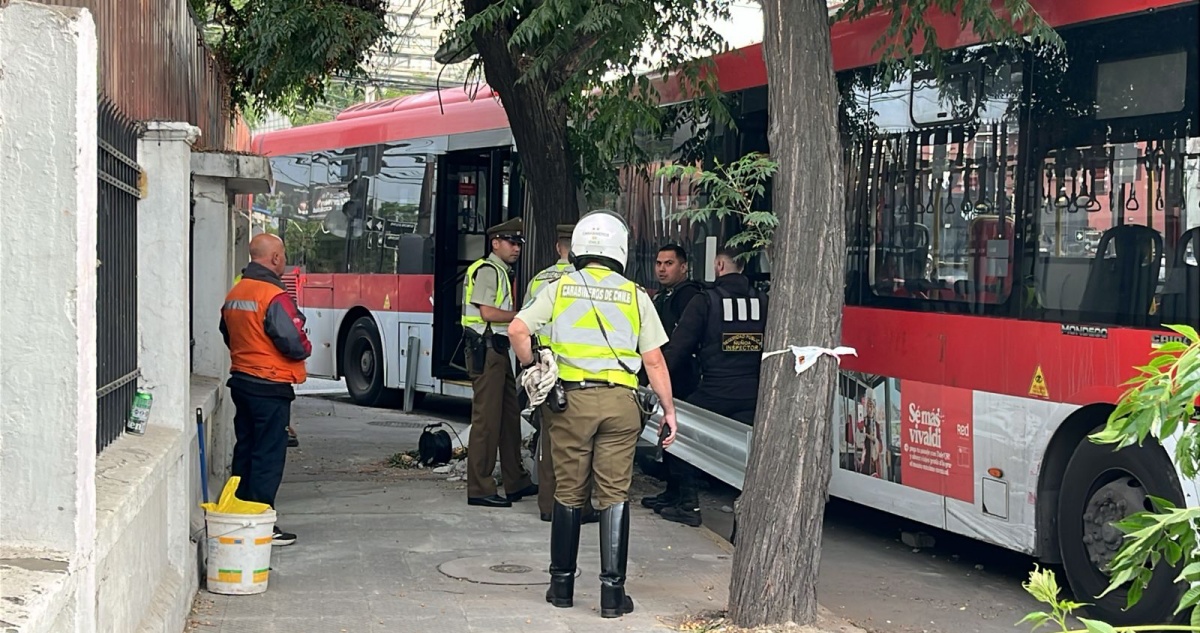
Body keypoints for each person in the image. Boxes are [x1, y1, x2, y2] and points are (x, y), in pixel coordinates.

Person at [509, 210, 679, 619]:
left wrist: (532, 364)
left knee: (568, 492)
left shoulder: (560, 287)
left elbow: (517, 329)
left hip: (571, 403)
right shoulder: (636, 295)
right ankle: (612, 596)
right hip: (621, 404)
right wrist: (669, 411)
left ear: (580, 248)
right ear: (619, 250)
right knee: (614, 495)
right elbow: (654, 361)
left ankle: (561, 588)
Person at [660, 247, 769, 527]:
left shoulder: (705, 300)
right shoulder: (764, 301)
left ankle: (688, 504)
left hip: (714, 392)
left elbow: (679, 348)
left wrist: (654, 379)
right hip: (754, 395)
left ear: (719, 265)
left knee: (675, 430)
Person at [220, 233, 313, 546]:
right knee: (268, 455)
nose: (283, 260)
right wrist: (306, 345)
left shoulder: (237, 291)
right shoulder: (273, 295)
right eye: (282, 255)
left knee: (246, 449)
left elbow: (227, 333)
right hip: (270, 384)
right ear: (275, 258)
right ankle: (261, 522)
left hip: (242, 380)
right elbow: (294, 343)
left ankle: (238, 516)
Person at [524, 224, 600, 525]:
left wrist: (530, 364)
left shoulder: (539, 280)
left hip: (545, 366)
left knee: (548, 438)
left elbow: (524, 323)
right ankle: (579, 506)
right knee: (581, 441)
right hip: (578, 369)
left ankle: (547, 505)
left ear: (559, 247)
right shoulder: (585, 283)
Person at [461, 217, 537, 508]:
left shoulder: (501, 271)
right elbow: (488, 313)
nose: (517, 248)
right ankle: (480, 488)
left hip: (498, 350)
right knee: (487, 422)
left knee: (508, 418)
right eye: (511, 242)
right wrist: (522, 317)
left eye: (519, 243)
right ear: (495, 244)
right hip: (486, 349)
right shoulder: (488, 270)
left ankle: (516, 481)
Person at [640, 244, 704, 513]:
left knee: (679, 434)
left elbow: (683, 342)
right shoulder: (663, 296)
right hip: (664, 371)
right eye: (658, 263)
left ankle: (687, 499)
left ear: (684, 267)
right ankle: (673, 491)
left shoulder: (689, 296)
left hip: (682, 375)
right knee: (665, 433)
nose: (662, 269)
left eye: (669, 263)